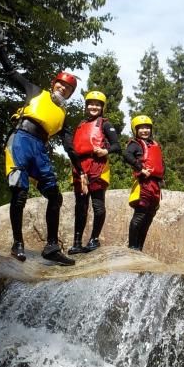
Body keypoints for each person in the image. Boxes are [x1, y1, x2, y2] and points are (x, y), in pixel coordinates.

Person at [0, 27, 79, 266]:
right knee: (19, 192)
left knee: (55, 197)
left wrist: (81, 169)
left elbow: (69, 147)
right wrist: (0, 47)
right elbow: (11, 72)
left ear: (69, 95)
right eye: (61, 85)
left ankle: (51, 247)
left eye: (67, 89)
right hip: (21, 140)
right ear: (54, 83)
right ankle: (17, 243)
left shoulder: (62, 116)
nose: (63, 89)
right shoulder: (35, 92)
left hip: (39, 149)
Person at [65, 91, 121, 255]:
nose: (94, 107)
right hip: (80, 168)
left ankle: (94, 239)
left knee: (98, 205)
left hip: (98, 166)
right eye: (91, 103)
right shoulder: (81, 124)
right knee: (80, 207)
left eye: (97, 104)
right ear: (86, 105)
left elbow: (117, 146)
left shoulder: (105, 124)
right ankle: (77, 243)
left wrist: (106, 150)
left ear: (102, 107)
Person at [123, 115, 165, 251]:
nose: (144, 130)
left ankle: (139, 247)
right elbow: (127, 156)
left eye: (147, 128)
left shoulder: (155, 144)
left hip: (155, 185)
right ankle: (132, 247)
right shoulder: (135, 144)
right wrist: (140, 168)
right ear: (135, 130)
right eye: (141, 128)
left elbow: (160, 163)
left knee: (149, 216)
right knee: (140, 215)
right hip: (143, 184)